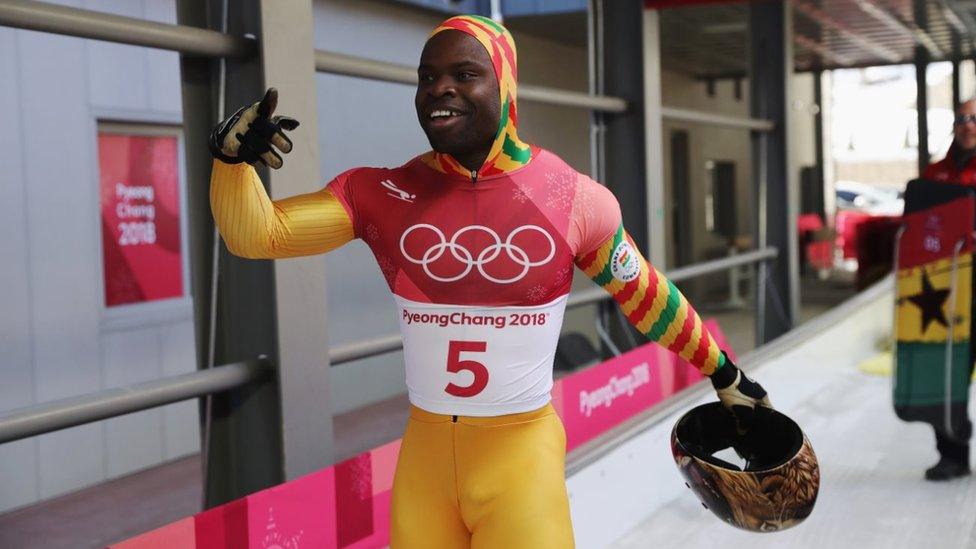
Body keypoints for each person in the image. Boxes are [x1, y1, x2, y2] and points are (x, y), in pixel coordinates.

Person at [208, 15, 772, 548]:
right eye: (427, 78)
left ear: (505, 87)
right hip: (425, 461)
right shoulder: (377, 192)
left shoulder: (574, 199)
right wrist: (232, 163)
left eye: (464, 74)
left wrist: (726, 373)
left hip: (519, 456)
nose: (440, 89)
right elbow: (260, 236)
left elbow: (648, 296)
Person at [918, 98, 976, 481]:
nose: (968, 124)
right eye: (962, 118)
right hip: (946, 289)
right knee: (946, 374)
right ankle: (952, 455)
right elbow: (919, 226)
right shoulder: (934, 173)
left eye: (974, 118)